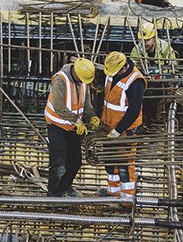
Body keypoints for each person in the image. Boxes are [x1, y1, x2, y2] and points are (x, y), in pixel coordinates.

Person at [43, 57, 97, 197]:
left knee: (75, 161)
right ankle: (53, 193)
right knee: (59, 162)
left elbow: (87, 104)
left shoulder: (83, 81)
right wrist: (77, 121)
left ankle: (65, 186)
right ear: (76, 73)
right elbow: (59, 107)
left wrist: (92, 116)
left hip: (72, 127)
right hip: (56, 125)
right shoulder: (60, 80)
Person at [100, 51, 145, 203]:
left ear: (124, 67)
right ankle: (113, 191)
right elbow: (105, 97)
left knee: (124, 162)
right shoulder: (111, 72)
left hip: (126, 128)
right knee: (109, 159)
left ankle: (127, 198)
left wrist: (118, 131)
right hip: (109, 125)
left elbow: (134, 111)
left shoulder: (135, 81)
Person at [130, 22, 177, 126]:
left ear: (154, 38)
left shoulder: (165, 47)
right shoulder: (137, 50)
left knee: (157, 93)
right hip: (145, 82)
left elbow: (173, 65)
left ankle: (156, 116)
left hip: (161, 81)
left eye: (147, 40)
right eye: (141, 40)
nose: (144, 43)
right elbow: (132, 69)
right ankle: (144, 119)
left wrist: (162, 75)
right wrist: (141, 75)